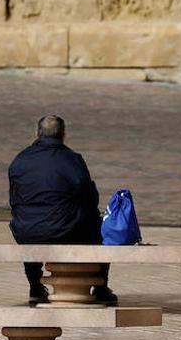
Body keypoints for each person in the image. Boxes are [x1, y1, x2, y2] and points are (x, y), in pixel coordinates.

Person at [7, 115, 117, 306]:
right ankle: (100, 287)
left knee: (32, 222)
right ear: (64, 135)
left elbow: (14, 199)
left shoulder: (20, 161)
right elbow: (91, 198)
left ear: (37, 133)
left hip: (26, 231)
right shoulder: (72, 160)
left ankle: (35, 286)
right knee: (99, 225)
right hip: (66, 231)